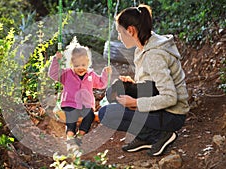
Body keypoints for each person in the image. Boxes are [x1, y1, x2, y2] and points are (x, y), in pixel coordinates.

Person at [98, 4, 190, 156]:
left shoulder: (155, 55)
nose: (119, 38)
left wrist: (134, 103)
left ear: (131, 30)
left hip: (172, 114)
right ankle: (145, 137)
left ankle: (158, 135)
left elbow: (170, 97)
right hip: (158, 102)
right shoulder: (142, 47)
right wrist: (133, 84)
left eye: (120, 33)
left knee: (106, 114)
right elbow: (152, 82)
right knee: (114, 91)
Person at [48, 37, 112, 150]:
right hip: (70, 103)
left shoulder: (91, 75)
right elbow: (53, 74)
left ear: (88, 62)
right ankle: (70, 137)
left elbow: (101, 84)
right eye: (76, 65)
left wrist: (105, 74)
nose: (80, 68)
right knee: (71, 116)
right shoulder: (67, 74)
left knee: (90, 116)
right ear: (71, 64)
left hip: (86, 105)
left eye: (83, 64)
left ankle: (80, 136)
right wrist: (55, 60)